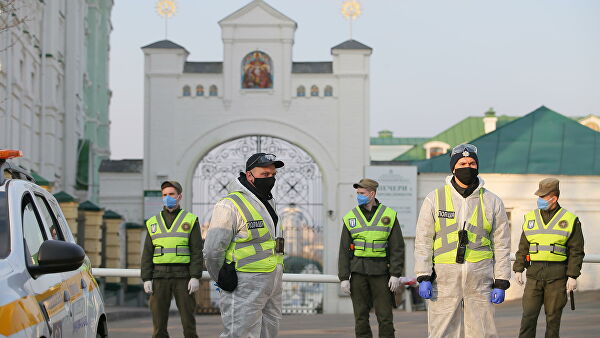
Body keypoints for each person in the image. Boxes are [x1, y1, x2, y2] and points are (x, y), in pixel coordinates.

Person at [414, 143, 511, 338]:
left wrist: (501, 281)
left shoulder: (492, 201)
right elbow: (423, 240)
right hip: (443, 279)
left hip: (480, 279)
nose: (467, 167)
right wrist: (423, 276)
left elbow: (502, 244)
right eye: (462, 163)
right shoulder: (434, 199)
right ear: (453, 168)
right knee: (442, 331)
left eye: (472, 163)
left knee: (483, 332)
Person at [203, 153, 285, 338]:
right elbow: (212, 250)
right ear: (249, 175)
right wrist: (222, 278)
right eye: (265, 175)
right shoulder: (229, 205)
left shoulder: (268, 202)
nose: (270, 179)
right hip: (243, 282)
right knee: (240, 334)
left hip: (271, 280)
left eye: (273, 175)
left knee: (269, 332)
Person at [513, 178, 585, 338]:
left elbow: (576, 251)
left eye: (543, 197)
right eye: (539, 196)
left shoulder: (570, 220)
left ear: (554, 198)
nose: (539, 200)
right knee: (528, 318)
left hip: (557, 276)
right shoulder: (530, 218)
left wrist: (573, 275)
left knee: (553, 320)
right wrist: (518, 268)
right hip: (534, 275)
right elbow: (523, 246)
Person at [338, 178, 405, 338]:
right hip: (358, 272)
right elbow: (344, 250)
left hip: (381, 273)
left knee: (385, 317)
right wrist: (344, 277)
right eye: (358, 193)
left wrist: (395, 274)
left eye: (362, 193)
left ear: (372, 193)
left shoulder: (388, 215)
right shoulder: (350, 218)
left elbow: (397, 247)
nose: (359, 196)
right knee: (360, 318)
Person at [141, 181, 203, 338]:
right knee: (158, 326)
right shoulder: (152, 222)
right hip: (159, 277)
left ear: (179, 196)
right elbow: (147, 252)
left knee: (188, 324)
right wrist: (146, 278)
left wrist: (195, 276)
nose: (168, 197)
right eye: (164, 195)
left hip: (183, 277)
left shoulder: (190, 220)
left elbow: (196, 251)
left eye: (171, 194)